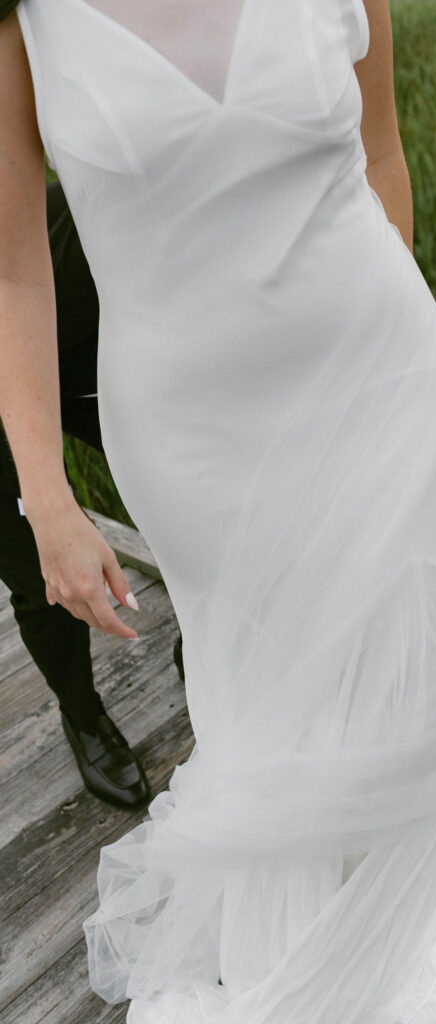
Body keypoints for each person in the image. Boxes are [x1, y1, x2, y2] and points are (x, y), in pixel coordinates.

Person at [0, 2, 436, 1022]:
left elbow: (381, 154)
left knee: (401, 676)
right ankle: (300, 940)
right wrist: (46, 495)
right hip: (193, 442)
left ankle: (403, 898)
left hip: (379, 383)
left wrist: (398, 358)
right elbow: (14, 271)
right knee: (265, 693)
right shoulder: (23, 25)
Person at [0, 177, 185, 808]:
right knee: (33, 564)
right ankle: (83, 715)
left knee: (183, 470)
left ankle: (209, 640)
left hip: (59, 311)